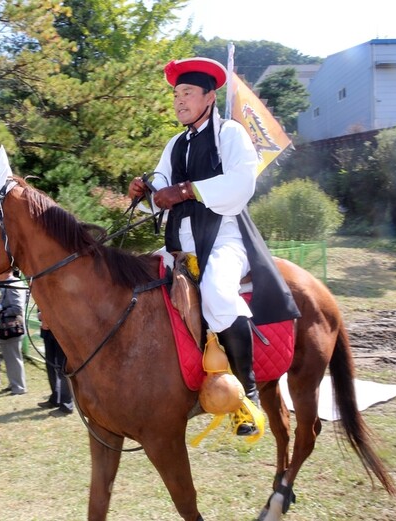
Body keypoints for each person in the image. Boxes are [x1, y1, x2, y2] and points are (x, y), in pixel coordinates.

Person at [128, 57, 300, 435]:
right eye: (176, 95)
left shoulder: (232, 134)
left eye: (187, 93)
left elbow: (242, 183)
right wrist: (144, 193)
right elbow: (161, 194)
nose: (179, 101)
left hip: (226, 236)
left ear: (209, 96)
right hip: (179, 243)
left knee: (218, 293)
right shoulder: (174, 144)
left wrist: (188, 189)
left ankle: (248, 397)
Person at [0, 269, 27, 395]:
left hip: (12, 327)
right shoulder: (10, 283)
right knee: (10, 358)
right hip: (9, 327)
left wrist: (1, 311)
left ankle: (19, 387)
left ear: (5, 272)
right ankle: (14, 383)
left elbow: (17, 308)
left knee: (13, 358)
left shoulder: (13, 284)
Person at [37, 311, 73, 417]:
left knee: (63, 369)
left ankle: (67, 405)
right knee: (50, 367)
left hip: (62, 331)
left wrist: (49, 317)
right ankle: (55, 398)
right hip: (47, 332)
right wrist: (41, 316)